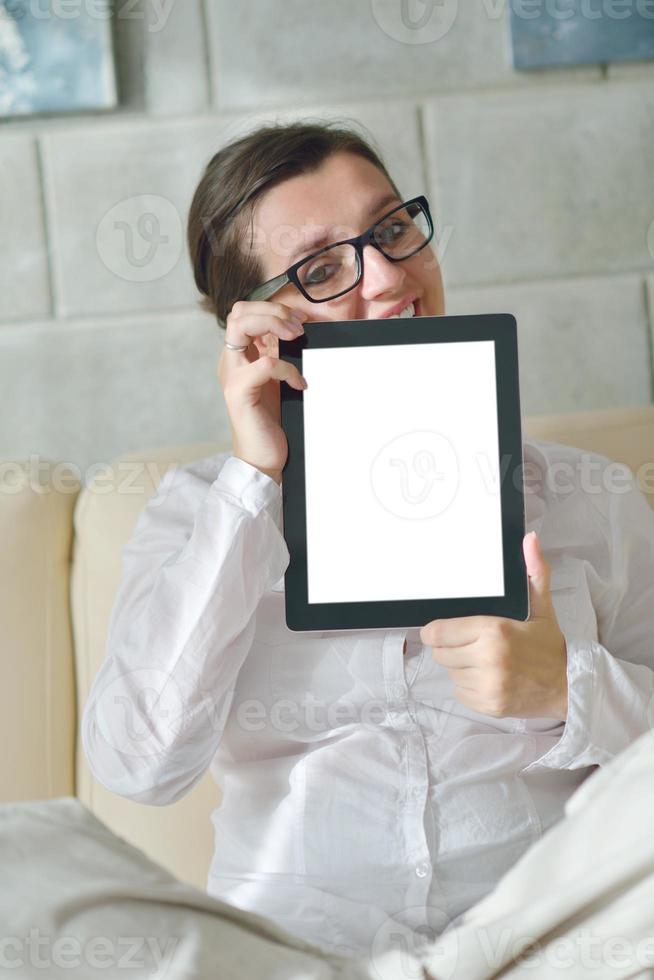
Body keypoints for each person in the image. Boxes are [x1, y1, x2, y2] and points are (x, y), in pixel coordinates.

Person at [81, 120, 654, 960]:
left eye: (391, 229)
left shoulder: (587, 496)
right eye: (321, 268)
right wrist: (255, 482)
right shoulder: (199, 511)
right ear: (254, 325)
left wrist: (568, 690)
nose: (389, 276)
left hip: (548, 943)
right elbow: (138, 765)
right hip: (299, 953)